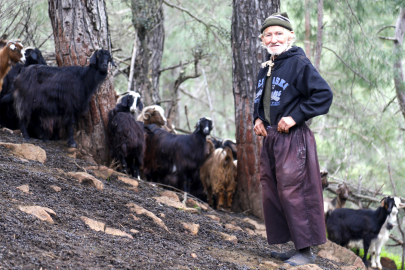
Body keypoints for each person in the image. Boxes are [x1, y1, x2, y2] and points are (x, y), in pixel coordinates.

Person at [253, 12, 333, 266]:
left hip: (292, 139)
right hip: (272, 139)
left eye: (279, 33)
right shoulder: (268, 65)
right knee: (273, 191)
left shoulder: (299, 63)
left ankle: (307, 251)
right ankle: (297, 246)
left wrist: (295, 116)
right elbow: (262, 101)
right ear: (263, 39)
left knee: (295, 192)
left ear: (290, 36)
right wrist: (257, 119)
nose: (274, 39)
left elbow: (323, 95)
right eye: (269, 34)